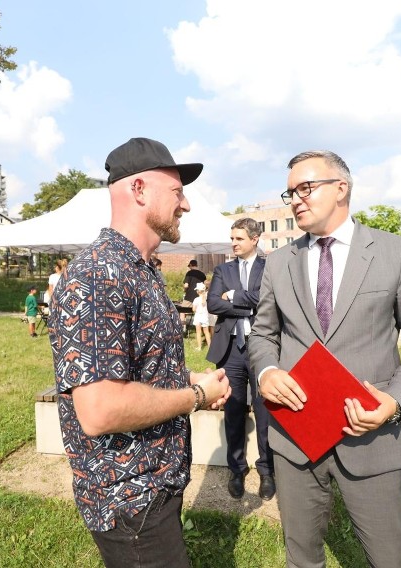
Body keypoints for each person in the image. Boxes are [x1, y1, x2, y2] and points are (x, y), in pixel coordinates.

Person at [249, 150, 401, 567]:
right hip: (296, 439)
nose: (296, 200)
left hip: (372, 438)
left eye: (305, 188)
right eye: (290, 193)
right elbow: (264, 334)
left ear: (342, 188)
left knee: (390, 558)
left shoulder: (395, 252)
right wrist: (266, 371)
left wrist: (394, 402)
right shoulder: (278, 263)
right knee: (301, 558)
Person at [47, 136, 231, 568]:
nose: (184, 205)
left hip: (154, 487)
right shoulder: (97, 276)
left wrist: (191, 381)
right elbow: (101, 410)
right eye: (177, 192)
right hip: (129, 499)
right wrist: (197, 398)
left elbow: (139, 370)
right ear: (139, 190)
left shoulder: (140, 270)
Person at [206, 217, 275, 501]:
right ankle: (236, 469)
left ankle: (267, 470)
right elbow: (213, 303)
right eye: (232, 238)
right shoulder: (223, 269)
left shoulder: (270, 266)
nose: (233, 243)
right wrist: (247, 307)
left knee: (265, 411)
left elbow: (269, 299)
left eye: (239, 238)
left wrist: (234, 296)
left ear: (255, 238)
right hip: (231, 349)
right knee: (233, 410)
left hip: (262, 347)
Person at [191, 282, 212, 350]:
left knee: (198, 332)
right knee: (206, 332)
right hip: (205, 316)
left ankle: (199, 347)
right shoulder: (207, 299)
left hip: (198, 316)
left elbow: (193, 309)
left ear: (198, 291)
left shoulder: (196, 299)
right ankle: (210, 346)